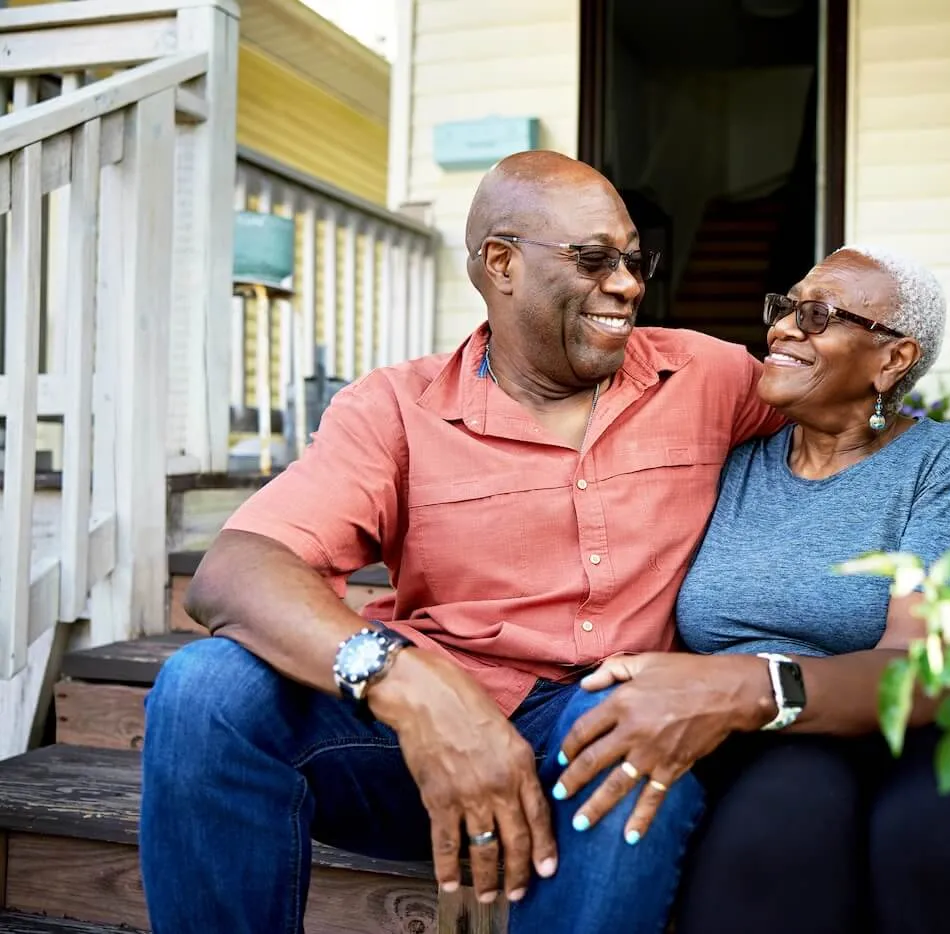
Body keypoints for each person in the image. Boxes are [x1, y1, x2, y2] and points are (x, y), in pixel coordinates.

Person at [136, 150, 786, 934]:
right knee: (205, 691)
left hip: (600, 727)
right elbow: (235, 571)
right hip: (418, 742)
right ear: (502, 264)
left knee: (631, 751)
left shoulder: (705, 375)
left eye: (633, 259)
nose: (627, 284)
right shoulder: (395, 407)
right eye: (593, 259)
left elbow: (844, 417)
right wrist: (417, 694)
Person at [550, 246, 950, 933]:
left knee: (942, 838)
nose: (782, 329)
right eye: (784, 310)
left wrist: (743, 687)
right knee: (776, 837)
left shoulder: (949, 457)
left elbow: (929, 671)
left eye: (817, 316)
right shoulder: (728, 459)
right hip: (781, 749)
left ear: (894, 359)